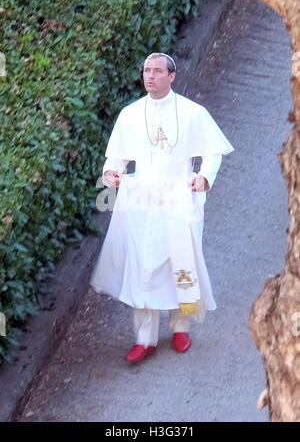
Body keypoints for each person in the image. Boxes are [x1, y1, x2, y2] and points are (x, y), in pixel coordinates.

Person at [89, 52, 234, 362]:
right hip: (141, 200)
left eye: (157, 71)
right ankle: (145, 337)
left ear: (172, 76)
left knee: (181, 263)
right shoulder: (130, 114)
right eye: (146, 70)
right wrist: (110, 173)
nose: (150, 76)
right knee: (144, 266)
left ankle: (181, 327)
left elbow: (214, 153)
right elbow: (116, 157)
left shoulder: (193, 113)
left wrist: (203, 178)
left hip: (180, 195)